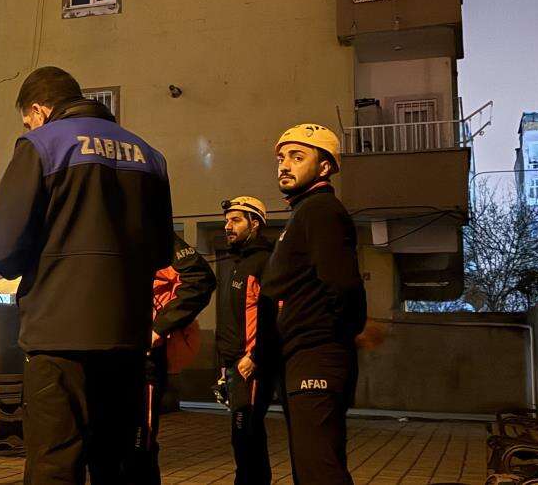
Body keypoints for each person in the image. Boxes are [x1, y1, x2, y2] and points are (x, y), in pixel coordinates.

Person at [0, 66, 175, 484]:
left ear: (39, 110)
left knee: (55, 463)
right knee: (117, 462)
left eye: (28, 120)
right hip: (126, 338)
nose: (29, 127)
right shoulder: (149, 155)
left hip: (57, 337)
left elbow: (4, 247)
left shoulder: (42, 145)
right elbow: (162, 252)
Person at [260, 124, 367, 485]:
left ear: (324, 167)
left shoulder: (321, 210)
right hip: (301, 354)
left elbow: (343, 283)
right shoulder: (304, 212)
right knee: (313, 467)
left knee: (319, 471)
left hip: (316, 354)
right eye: (281, 158)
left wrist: (333, 337)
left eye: (297, 157)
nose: (284, 165)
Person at [134, 233, 216, 484]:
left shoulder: (149, 230)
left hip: (143, 358)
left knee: (140, 445)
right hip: (105, 354)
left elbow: (200, 279)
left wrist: (158, 328)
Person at [215, 196, 277, 485]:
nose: (228, 226)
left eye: (236, 220)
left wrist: (255, 356)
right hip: (234, 365)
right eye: (227, 221)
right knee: (245, 437)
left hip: (249, 365)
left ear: (255, 224)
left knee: (245, 434)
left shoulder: (264, 262)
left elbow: (273, 314)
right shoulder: (238, 262)